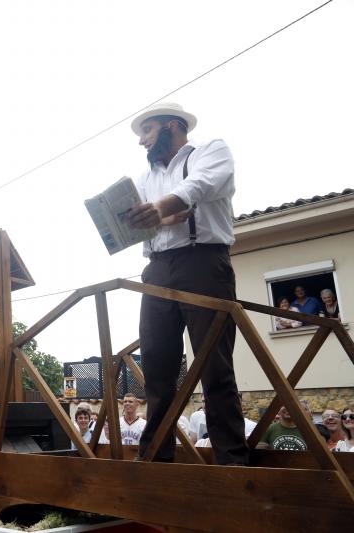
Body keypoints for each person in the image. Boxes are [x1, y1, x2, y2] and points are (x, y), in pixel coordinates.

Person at [126, 102, 248, 465]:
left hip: (203, 263)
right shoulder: (144, 179)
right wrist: (161, 218)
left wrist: (160, 209)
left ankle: (231, 463)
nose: (142, 141)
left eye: (147, 131)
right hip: (156, 269)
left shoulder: (210, 150)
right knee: (157, 367)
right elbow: (141, 223)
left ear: (171, 126)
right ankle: (155, 460)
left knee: (214, 365)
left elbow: (200, 184)